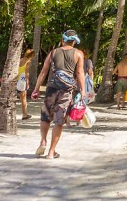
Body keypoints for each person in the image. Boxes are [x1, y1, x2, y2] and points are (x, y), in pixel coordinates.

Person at [31, 31, 85, 159]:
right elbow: (79, 73)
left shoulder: (53, 52)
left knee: (45, 117)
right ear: (75, 41)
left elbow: (44, 72)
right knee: (59, 121)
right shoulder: (78, 54)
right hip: (66, 90)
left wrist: (36, 89)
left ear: (63, 40)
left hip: (51, 88)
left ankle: (43, 141)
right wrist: (83, 90)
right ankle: (51, 152)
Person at [17, 48, 35, 120]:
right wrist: (27, 82)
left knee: (21, 98)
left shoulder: (21, 60)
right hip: (23, 79)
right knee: (23, 98)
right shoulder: (28, 61)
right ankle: (24, 114)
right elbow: (26, 72)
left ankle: (24, 113)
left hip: (18, 78)